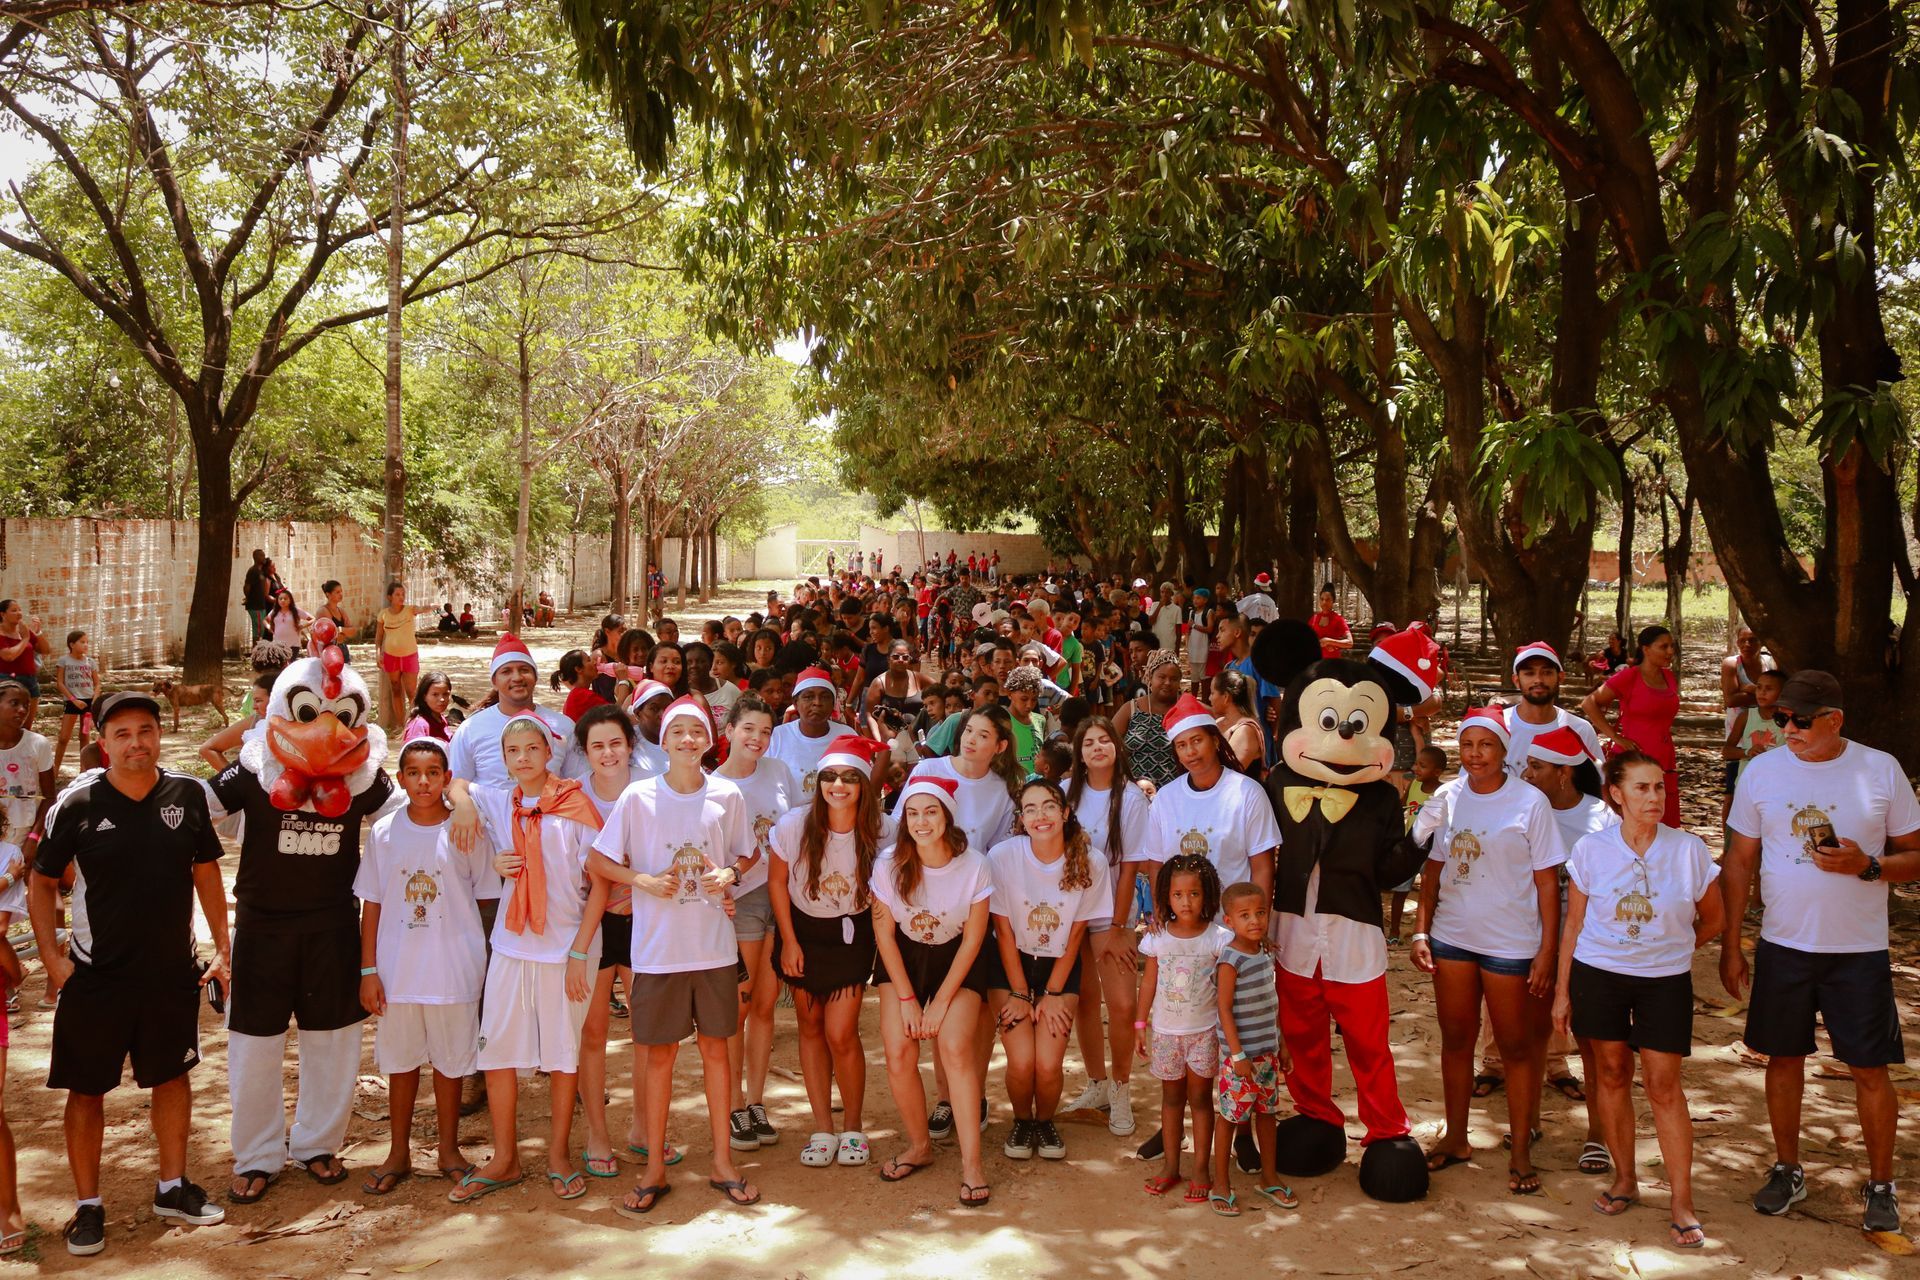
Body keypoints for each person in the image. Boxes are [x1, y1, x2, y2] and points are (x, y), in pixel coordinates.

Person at [29, 691, 230, 1256]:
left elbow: (206, 872)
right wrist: (52, 960)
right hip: (95, 977)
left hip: (171, 972)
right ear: (103, 743)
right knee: (86, 1091)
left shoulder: (187, 794)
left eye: (146, 731)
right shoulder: (76, 803)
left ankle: (172, 1188)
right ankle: (89, 1207)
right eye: (122, 734)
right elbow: (42, 882)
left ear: (159, 735)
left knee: (173, 1078)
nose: (136, 743)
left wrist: (222, 948)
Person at [1719, 669, 1920, 1233]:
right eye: (1782, 717)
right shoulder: (1762, 771)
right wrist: (1732, 944)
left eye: (1801, 720)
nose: (1788, 728)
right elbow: (1738, 861)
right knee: (1782, 1060)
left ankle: (1881, 1184)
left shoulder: (1880, 769)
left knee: (1869, 1068)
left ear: (1836, 720)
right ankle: (1787, 1169)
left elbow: (1915, 855)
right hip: (1784, 945)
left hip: (1857, 949)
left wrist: (1869, 865)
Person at [204, 649, 397, 1205]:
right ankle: (257, 1154)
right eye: (310, 712)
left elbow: (406, 815)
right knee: (254, 1048)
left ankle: (317, 1142)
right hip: (261, 929)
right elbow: (198, 809)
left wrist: (460, 804)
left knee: (333, 1043)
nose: (325, 728)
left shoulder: (362, 774)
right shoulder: (253, 765)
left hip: (333, 926)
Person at [591, 694, 760, 1215]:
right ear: (662, 740)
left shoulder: (726, 793)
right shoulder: (639, 796)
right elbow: (599, 859)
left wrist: (730, 874)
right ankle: (654, 1169)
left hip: (713, 949)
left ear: (711, 739)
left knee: (716, 1052)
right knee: (659, 1056)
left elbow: (749, 853)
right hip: (657, 953)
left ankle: (723, 1163)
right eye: (678, 731)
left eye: (698, 731)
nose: (689, 739)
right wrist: (640, 879)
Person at [1556, 751, 1722, 1248]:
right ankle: (1625, 1178)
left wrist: (1672, 949)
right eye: (1642, 788)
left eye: (1659, 788)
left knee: (1663, 1085)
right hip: (1598, 974)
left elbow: (1713, 918)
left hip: (1664, 981)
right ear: (1616, 794)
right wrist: (1562, 992)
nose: (1654, 797)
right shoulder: (1591, 849)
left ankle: (1682, 1201)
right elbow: (1573, 924)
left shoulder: (1688, 849)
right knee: (1609, 1072)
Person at [446, 713, 611, 1205]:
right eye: (513, 751)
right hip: (512, 944)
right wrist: (464, 808)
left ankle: (558, 1155)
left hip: (567, 948)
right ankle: (505, 1158)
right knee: (498, 1050)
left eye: (532, 748)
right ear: (503, 759)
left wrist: (580, 952)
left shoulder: (576, 806)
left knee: (562, 1053)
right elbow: (458, 785)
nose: (523, 758)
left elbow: (600, 884)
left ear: (549, 752)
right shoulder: (502, 803)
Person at [1411, 706, 1565, 1194]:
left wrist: (1546, 951)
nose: (1475, 755)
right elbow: (1433, 871)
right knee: (1456, 1040)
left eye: (1486, 745)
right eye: (1467, 744)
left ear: (1503, 750)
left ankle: (1519, 1150)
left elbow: (1547, 883)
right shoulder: (1447, 797)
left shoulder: (1530, 802)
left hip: (1511, 945)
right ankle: (1456, 1138)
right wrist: (1420, 931)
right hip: (1453, 938)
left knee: (1516, 1048)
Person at [353, 737, 487, 1194]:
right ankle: (398, 1152)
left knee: (451, 1063)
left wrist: (481, 960)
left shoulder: (466, 830)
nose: (424, 781)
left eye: (433, 773)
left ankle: (449, 1150)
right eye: (414, 773)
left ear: (447, 778)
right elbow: (372, 902)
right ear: (401, 778)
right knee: (402, 1062)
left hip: (454, 969)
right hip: (399, 971)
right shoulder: (384, 832)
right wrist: (368, 970)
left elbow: (485, 897)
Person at [871, 774, 994, 1204]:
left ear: (947, 817)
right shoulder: (888, 863)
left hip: (957, 957)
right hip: (905, 957)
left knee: (954, 1047)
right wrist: (907, 1000)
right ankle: (920, 1145)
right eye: (913, 813)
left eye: (930, 812)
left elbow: (974, 940)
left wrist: (940, 1003)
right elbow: (884, 935)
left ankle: (972, 1165)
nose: (921, 821)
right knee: (898, 1049)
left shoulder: (974, 864)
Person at [771, 735, 893, 1170]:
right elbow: (777, 883)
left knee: (841, 1033)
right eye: (830, 777)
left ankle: (853, 1126)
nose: (838, 785)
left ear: (863, 784)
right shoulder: (794, 824)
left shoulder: (884, 828)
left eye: (848, 777)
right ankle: (823, 1127)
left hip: (852, 934)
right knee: (810, 1026)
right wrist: (788, 941)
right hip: (803, 931)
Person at [987, 777, 1109, 1163]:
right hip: (1012, 966)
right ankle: (1022, 1122)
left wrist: (1054, 993)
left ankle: (1044, 1122)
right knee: (1022, 1061)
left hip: (1060, 967)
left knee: (1048, 1064)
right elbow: (1003, 931)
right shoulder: (1003, 857)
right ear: (1021, 819)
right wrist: (1020, 993)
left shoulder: (1090, 861)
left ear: (1065, 812)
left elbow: (1076, 934)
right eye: (1030, 809)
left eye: (1049, 806)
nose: (1040, 816)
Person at [1520, 726, 1618, 1171]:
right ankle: (1528, 1122)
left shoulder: (1603, 818)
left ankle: (1598, 1135)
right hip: (1532, 942)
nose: (1526, 773)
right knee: (1531, 1037)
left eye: (1536, 766)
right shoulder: (1524, 809)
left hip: (1588, 949)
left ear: (1564, 773)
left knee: (1593, 1045)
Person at [1060, 716, 1153, 1136]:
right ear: (1079, 754)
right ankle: (1096, 1084)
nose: (1097, 747)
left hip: (1112, 915)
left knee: (1121, 1005)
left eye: (1104, 740)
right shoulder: (1066, 792)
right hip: (1071, 915)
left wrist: (1118, 927)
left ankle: (1120, 1088)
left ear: (1117, 747)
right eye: (1089, 742)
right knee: (1083, 999)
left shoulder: (1131, 798)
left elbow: (1130, 867)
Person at [714, 695, 799, 1152]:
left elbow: (798, 826)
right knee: (739, 1007)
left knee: (766, 1005)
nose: (757, 738)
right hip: (740, 900)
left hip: (780, 896)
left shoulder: (779, 772)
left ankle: (756, 1102)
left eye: (766, 731)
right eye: (748, 728)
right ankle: (732, 1106)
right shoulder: (712, 785)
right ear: (728, 730)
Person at [569, 705, 649, 1181]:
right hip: (590, 926)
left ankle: (643, 1127)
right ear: (584, 751)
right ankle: (597, 1134)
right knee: (593, 1032)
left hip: (644, 924)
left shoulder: (651, 791)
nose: (608, 753)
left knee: (647, 1032)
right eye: (597, 745)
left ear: (630, 745)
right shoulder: (570, 796)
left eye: (616, 743)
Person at [1137, 853, 1229, 1205]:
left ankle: (1202, 1169)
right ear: (1166, 896)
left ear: (1207, 895)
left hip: (1204, 1033)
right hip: (1166, 1034)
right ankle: (1171, 1167)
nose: (1185, 901)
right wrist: (1140, 1024)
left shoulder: (1219, 939)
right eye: (1177, 894)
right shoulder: (1157, 938)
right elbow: (1148, 984)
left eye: (1193, 893)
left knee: (1201, 1100)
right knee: (1172, 1099)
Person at [1212, 880, 1297, 1216]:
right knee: (1230, 1117)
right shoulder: (1230, 959)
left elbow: (1270, 1003)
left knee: (1268, 1114)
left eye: (1260, 913)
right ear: (1229, 920)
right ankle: (1221, 1183)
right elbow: (1223, 1008)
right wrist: (1237, 1055)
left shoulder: (1264, 953)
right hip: (1241, 1059)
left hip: (1267, 1055)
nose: (1255, 920)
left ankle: (1269, 1177)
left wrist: (1282, 1045)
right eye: (1245, 915)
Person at [446, 636, 582, 789]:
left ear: (535, 677)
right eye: (506, 671)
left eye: (524, 670)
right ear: (494, 682)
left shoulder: (564, 726)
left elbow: (579, 783)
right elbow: (455, 785)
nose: (517, 677)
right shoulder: (471, 729)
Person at [1581, 625, 1681, 827]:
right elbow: (1589, 703)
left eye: (1672, 646)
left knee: (1662, 821)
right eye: (1663, 647)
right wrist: (1616, 737)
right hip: (1634, 757)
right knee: (1633, 819)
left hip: (1664, 756)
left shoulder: (1669, 677)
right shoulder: (1630, 676)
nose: (1670, 651)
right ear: (1646, 649)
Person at [1504, 641, 1604, 776]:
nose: (1538, 680)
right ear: (1516, 680)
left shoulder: (1580, 730)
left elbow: (1599, 782)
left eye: (1547, 672)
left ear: (1560, 677)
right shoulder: (1497, 727)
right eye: (1529, 673)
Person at [768, 667, 857, 796]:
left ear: (833, 703)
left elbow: (863, 784)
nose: (817, 703)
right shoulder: (778, 737)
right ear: (795, 703)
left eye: (825, 697)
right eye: (808, 697)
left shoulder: (847, 737)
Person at [1113, 650, 1184, 789]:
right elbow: (1108, 742)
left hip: (1175, 793)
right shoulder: (1132, 708)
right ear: (1150, 677)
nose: (1167, 683)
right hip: (1134, 792)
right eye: (1162, 677)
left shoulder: (1186, 709)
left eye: (1174, 679)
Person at [0, 681, 54, 854]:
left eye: (26, 705)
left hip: (25, 834)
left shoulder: (38, 744)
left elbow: (49, 796)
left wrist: (34, 837)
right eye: (14, 703)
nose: (22, 710)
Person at [1722, 668, 1785, 786]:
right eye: (1759, 687)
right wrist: (1747, 752)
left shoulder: (1789, 721)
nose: (1762, 692)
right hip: (1747, 784)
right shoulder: (1746, 717)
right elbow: (1727, 752)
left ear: (1782, 693)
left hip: (1776, 784)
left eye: (1769, 689)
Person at [53, 628, 101, 775]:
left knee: (84, 735)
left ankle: (83, 771)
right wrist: (73, 700)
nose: (86, 645)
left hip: (88, 704)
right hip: (72, 702)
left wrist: (94, 701)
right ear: (72, 644)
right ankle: (54, 770)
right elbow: (60, 683)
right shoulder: (64, 661)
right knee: (63, 738)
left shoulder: (90, 662)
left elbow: (97, 684)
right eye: (82, 642)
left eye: (87, 642)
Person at [1209, 669, 1264, 777]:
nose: (1209, 698)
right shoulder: (1219, 722)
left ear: (1226, 697)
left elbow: (1230, 774)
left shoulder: (1246, 730)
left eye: (1212, 693)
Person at [552, 649, 607, 722]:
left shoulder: (576, 694)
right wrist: (621, 681)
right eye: (589, 660)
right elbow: (618, 715)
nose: (594, 662)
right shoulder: (585, 697)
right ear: (578, 669)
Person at [1309, 585, 1353, 660]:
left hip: (1332, 663)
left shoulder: (1338, 620)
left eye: (1328, 599)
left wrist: (1329, 641)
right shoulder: (1313, 619)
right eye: (1322, 599)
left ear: (1333, 601)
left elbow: (1350, 643)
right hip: (1316, 662)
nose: (1324, 602)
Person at [243, 549, 273, 641]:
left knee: (261, 629)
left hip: (261, 605)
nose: (263, 557)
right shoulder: (253, 571)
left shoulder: (261, 571)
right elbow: (247, 587)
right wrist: (248, 598)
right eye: (261, 555)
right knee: (258, 630)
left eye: (264, 555)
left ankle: (258, 648)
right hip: (255, 606)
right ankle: (256, 648)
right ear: (255, 557)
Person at [319, 580, 352, 656]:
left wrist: (340, 629)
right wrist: (344, 631)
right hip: (330, 650)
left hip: (342, 647)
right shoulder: (323, 611)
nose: (341, 594)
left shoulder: (341, 611)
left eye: (341, 591)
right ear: (328, 594)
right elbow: (332, 633)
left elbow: (352, 631)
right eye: (337, 592)